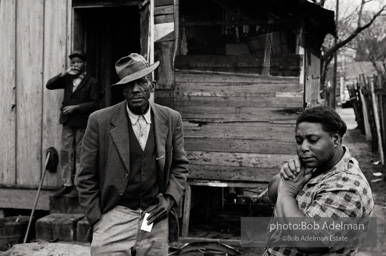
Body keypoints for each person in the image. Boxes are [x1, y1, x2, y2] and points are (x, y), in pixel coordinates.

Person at [76, 53, 189, 255]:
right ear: (122, 90)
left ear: (152, 85)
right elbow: (85, 175)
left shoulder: (171, 119)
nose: (136, 90)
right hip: (115, 214)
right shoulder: (100, 121)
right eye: (129, 85)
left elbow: (180, 166)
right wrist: (97, 219)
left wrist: (170, 200)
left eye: (141, 82)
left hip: (153, 216)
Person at [265, 106, 374, 255]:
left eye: (313, 140)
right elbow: (272, 193)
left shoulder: (347, 186)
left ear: (335, 139)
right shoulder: (317, 164)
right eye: (299, 141)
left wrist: (286, 193)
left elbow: (308, 242)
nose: (303, 148)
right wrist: (286, 177)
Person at [46, 50, 100, 196]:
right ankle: (67, 184)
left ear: (85, 64)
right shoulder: (67, 79)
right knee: (66, 153)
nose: (76, 65)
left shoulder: (92, 82)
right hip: (68, 122)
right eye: (73, 62)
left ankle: (79, 185)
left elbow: (95, 104)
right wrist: (64, 73)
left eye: (79, 62)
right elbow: (49, 85)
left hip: (82, 122)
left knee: (81, 153)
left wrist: (76, 108)